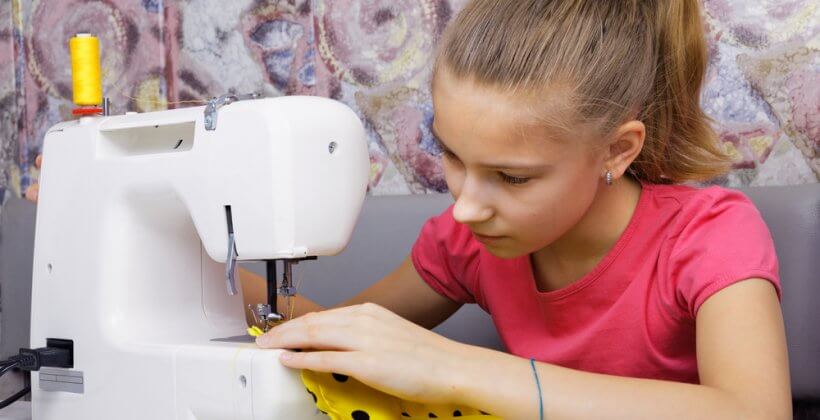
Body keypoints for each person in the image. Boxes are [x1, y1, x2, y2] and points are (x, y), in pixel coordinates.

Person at [30, 1, 792, 417]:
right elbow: (327, 339)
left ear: (618, 152)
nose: (464, 206)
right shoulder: (467, 246)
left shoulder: (711, 236)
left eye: (512, 177)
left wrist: (463, 371)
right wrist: (128, 232)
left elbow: (753, 414)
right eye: (451, 156)